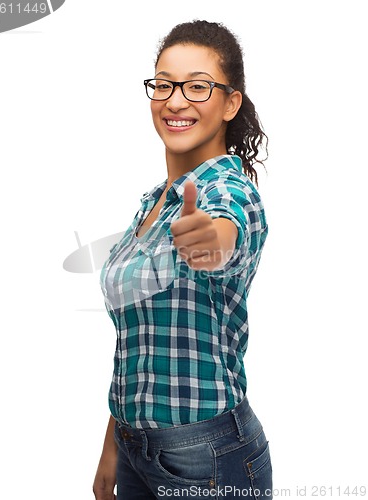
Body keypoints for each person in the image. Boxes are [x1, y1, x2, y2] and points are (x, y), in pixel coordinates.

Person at [93, 20, 272, 500]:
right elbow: (139, 340)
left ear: (231, 102)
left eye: (198, 87)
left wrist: (208, 243)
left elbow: (223, 235)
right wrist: (113, 447)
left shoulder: (229, 192)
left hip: (208, 458)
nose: (175, 101)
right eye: (165, 84)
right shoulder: (153, 203)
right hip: (134, 451)